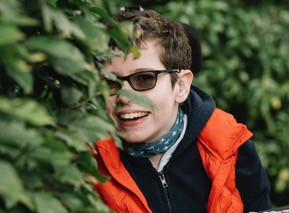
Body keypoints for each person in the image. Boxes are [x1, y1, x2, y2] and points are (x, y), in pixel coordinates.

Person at [92, 9, 272, 213]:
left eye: (144, 78)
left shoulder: (233, 147)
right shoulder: (85, 162)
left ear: (181, 86)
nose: (124, 97)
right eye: (110, 82)